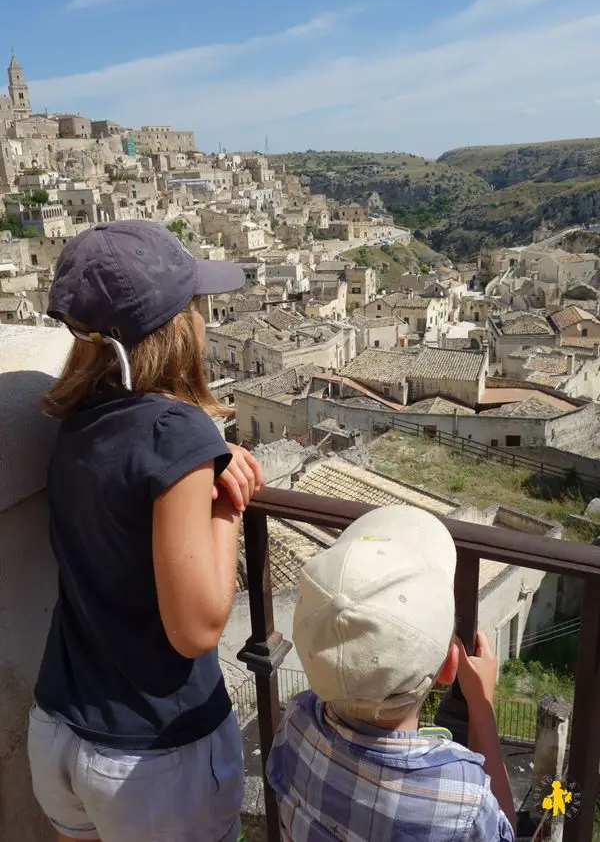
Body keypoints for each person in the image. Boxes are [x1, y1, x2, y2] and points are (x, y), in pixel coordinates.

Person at [28, 220, 264, 842]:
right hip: (152, 758)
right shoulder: (176, 434)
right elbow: (197, 628)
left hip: (59, 730)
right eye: (198, 305)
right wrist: (224, 503)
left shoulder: (77, 422)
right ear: (177, 325)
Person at [266, 504, 517, 841]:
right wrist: (482, 707)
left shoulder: (297, 722)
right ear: (449, 667)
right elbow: (505, 830)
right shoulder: (461, 797)